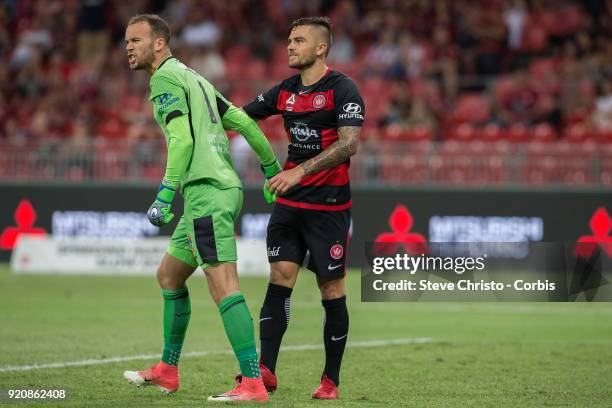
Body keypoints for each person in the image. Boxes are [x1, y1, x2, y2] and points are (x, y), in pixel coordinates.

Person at [121, 14, 283, 402]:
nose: (128, 46)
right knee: (170, 276)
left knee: (224, 286)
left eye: (136, 40)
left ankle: (252, 383)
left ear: (159, 43)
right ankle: (167, 369)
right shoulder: (197, 79)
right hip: (213, 191)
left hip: (206, 193)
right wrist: (271, 167)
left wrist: (164, 193)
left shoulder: (163, 79)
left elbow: (181, 141)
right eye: (126, 41)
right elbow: (243, 121)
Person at [239, 16, 364, 400]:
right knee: (279, 277)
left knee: (331, 289)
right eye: (289, 40)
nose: (290, 46)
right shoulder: (286, 90)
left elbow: (348, 145)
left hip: (328, 207)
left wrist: (299, 172)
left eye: (298, 40)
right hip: (289, 206)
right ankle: (266, 371)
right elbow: (239, 115)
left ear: (321, 48)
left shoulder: (343, 88)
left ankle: (330, 380)